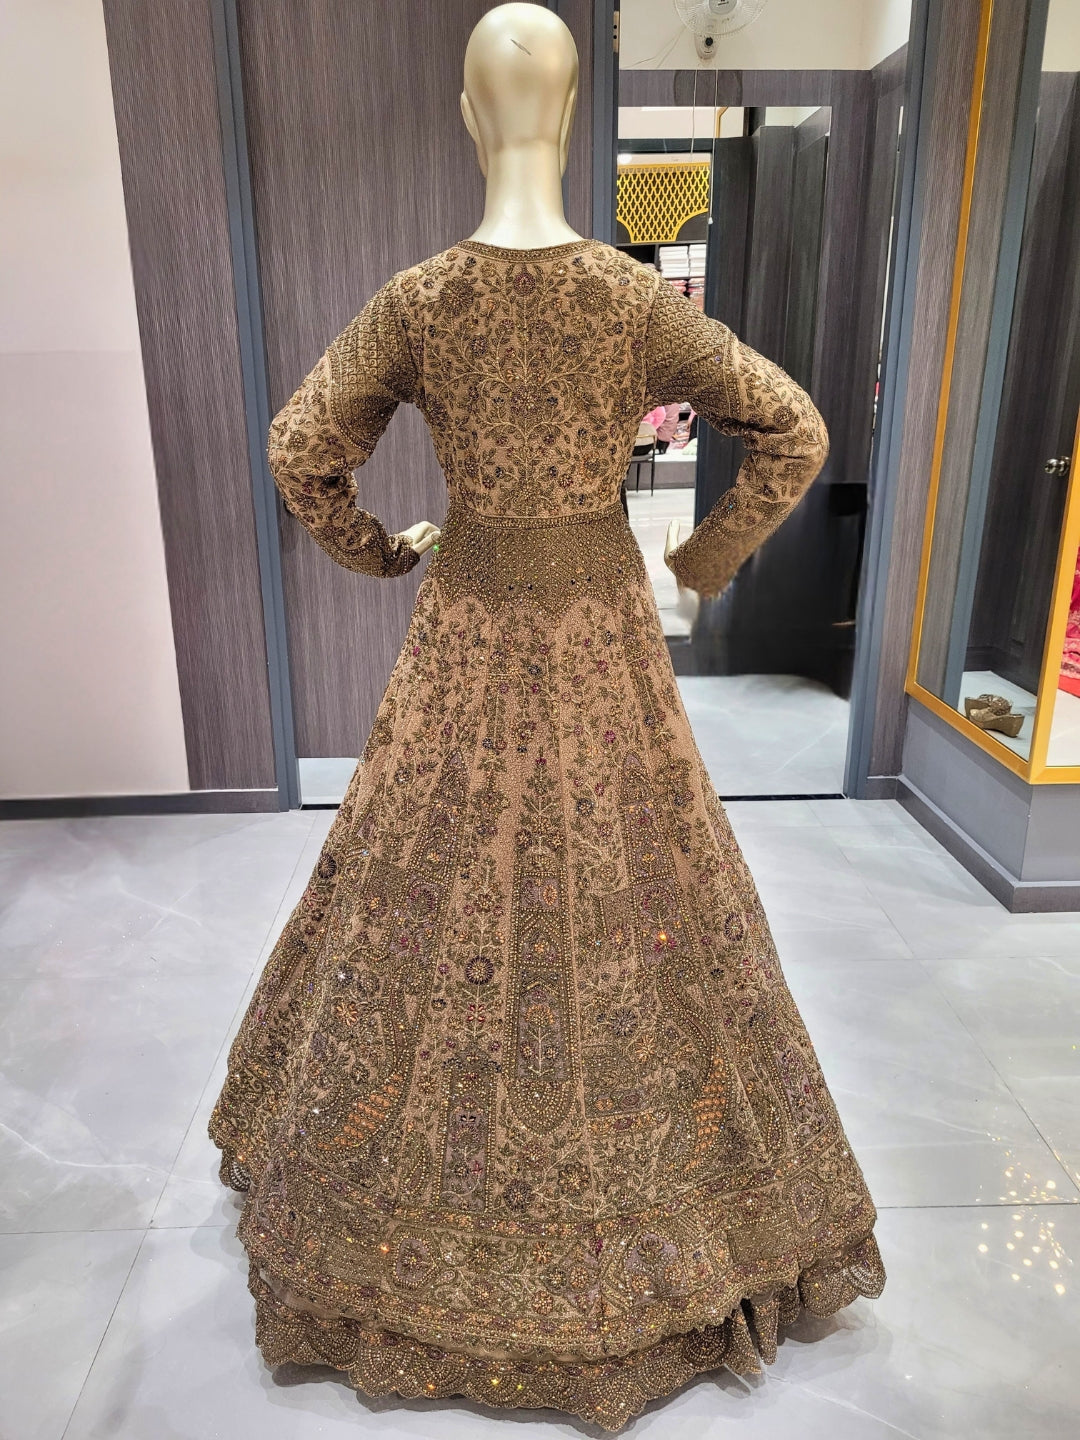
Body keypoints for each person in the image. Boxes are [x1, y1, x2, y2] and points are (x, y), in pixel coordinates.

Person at [209, 5, 884, 1428]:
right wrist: (699, 559)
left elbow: (299, 449)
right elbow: (798, 427)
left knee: (426, 884)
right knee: (631, 884)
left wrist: (385, 552)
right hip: (601, 638)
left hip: (463, 633)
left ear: (469, 117)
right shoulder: (632, 299)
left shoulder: (421, 300)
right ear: (571, 120)